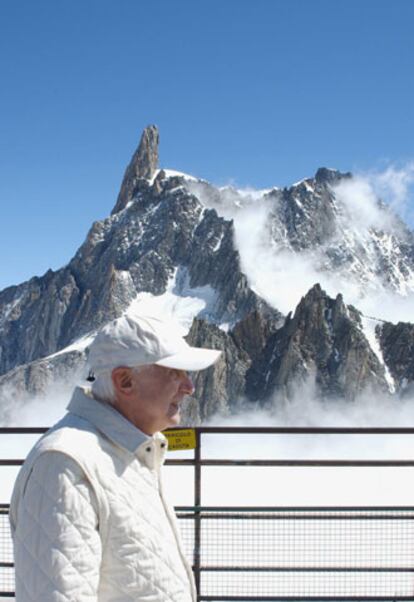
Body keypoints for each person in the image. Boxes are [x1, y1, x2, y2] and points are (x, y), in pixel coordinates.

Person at [9, 313, 221, 602]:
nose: (189, 387)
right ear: (125, 381)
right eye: (175, 372)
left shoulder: (130, 451)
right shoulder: (65, 465)